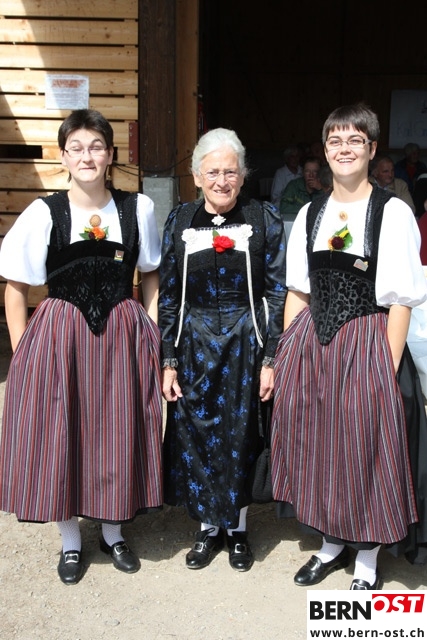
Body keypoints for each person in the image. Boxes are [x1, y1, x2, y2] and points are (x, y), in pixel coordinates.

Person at [0, 109, 163, 585]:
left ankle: (113, 533)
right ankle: (71, 540)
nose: (87, 156)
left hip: (121, 336)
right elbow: (15, 287)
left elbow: (150, 273)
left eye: (96, 147)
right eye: (77, 148)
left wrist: (151, 332)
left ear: (110, 154)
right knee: (61, 432)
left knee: (117, 429)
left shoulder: (138, 209)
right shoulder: (44, 212)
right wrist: (23, 352)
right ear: (63, 157)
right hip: (60, 337)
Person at [271, 102, 427, 590]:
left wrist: (385, 368)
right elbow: (299, 291)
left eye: (355, 140)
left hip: (368, 342)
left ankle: (367, 559)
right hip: (314, 343)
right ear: (324, 149)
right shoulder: (311, 212)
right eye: (335, 140)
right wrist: (286, 356)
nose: (344, 149)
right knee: (322, 446)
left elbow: (400, 300)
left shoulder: (391, 211)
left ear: (372, 149)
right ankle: (330, 544)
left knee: (365, 448)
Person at [159, 127, 287, 572]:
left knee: (240, 436)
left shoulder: (264, 218)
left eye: (230, 172)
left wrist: (271, 357)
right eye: (212, 172)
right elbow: (170, 296)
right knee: (196, 436)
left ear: (243, 175)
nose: (221, 181)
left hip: (244, 345)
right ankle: (207, 528)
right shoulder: (180, 221)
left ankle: (237, 529)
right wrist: (168, 360)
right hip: (193, 345)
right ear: (197, 176)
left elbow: (277, 293)